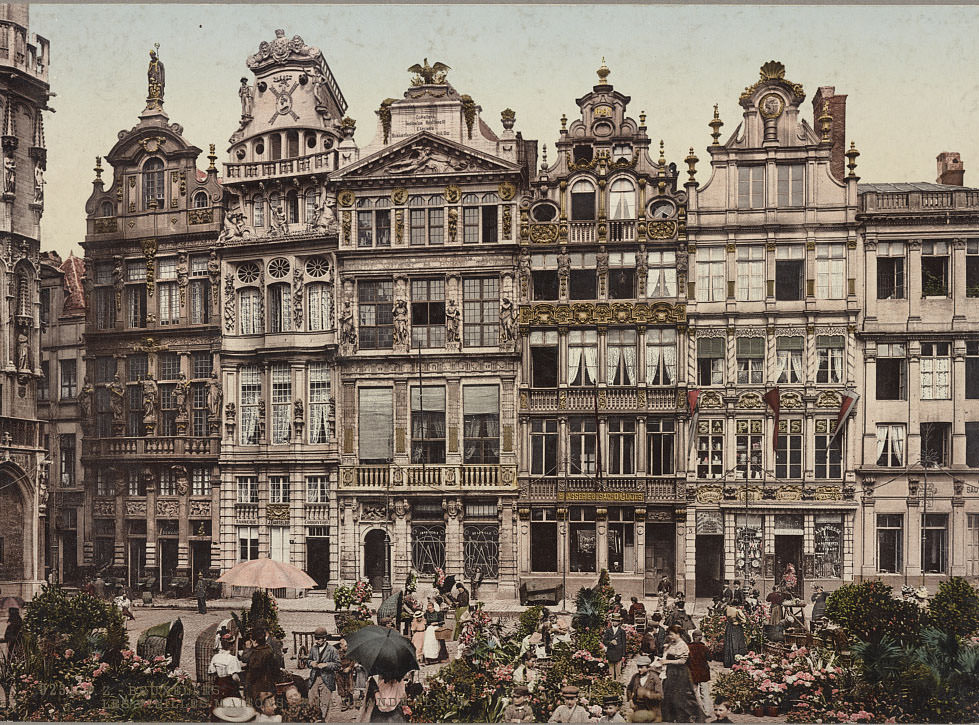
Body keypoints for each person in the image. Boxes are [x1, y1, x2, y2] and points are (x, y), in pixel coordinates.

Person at [661, 625, 705, 723]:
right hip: (671, 672)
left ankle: (685, 717)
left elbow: (682, 661)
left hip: (680, 673)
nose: (670, 637)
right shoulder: (671, 643)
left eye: (672, 635)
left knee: (681, 696)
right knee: (669, 694)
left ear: (678, 634)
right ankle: (671, 717)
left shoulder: (682, 645)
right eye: (669, 635)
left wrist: (667, 662)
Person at [307, 626, 340, 721]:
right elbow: (308, 661)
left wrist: (326, 665)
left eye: (319, 639)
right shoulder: (313, 649)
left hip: (327, 680)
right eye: (315, 638)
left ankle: (325, 721)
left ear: (325, 638)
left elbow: (338, 665)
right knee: (312, 701)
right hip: (314, 679)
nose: (316, 641)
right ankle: (314, 719)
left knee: (325, 704)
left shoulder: (332, 650)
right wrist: (311, 663)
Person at [244, 626, 280, 705]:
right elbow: (276, 669)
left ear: (255, 641)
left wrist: (247, 687)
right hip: (270, 685)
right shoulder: (269, 650)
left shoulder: (257, 653)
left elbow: (252, 672)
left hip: (258, 687)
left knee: (259, 708)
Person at [208, 634, 243, 704]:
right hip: (229, 685)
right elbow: (235, 677)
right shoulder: (232, 659)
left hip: (218, 684)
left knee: (217, 704)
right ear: (231, 646)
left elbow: (212, 672)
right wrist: (239, 682)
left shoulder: (216, 657)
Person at [687, 630, 712, 719]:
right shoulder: (704, 648)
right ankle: (707, 711)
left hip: (693, 672)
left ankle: (693, 711)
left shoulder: (688, 647)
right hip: (703, 673)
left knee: (693, 692)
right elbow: (710, 658)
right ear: (700, 637)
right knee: (704, 692)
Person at [602, 612, 627, 679]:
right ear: (611, 621)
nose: (615, 622)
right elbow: (604, 641)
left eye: (617, 621)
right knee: (611, 672)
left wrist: (623, 655)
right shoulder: (608, 631)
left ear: (619, 622)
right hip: (610, 653)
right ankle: (611, 685)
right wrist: (610, 642)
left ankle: (618, 685)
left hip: (619, 653)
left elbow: (624, 643)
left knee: (618, 672)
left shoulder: (622, 631)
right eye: (614, 621)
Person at [722, 603, 747, 669]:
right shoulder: (737, 611)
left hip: (729, 627)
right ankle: (735, 661)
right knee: (736, 643)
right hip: (736, 628)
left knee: (729, 643)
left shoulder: (727, 608)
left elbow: (725, 614)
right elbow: (744, 621)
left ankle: (728, 661)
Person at [336, 638, 356, 711]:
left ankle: (351, 701)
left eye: (347, 646)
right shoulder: (337, 653)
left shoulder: (350, 652)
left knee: (349, 685)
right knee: (341, 686)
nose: (347, 647)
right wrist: (339, 668)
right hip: (340, 672)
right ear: (341, 645)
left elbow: (353, 661)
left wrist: (349, 668)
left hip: (348, 671)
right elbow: (335, 662)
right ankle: (344, 702)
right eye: (345, 646)